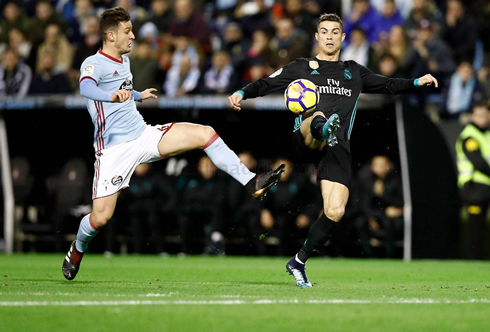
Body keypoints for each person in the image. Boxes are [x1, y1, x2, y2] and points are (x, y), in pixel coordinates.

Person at [62, 7, 284, 281]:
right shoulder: (93, 63)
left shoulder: (123, 60)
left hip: (143, 135)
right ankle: (78, 247)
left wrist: (137, 94)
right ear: (110, 35)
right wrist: (112, 96)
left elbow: (121, 89)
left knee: (205, 133)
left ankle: (251, 182)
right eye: (127, 31)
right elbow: (86, 88)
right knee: (100, 218)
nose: (133, 36)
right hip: (113, 150)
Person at [228, 13, 438, 287]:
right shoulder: (301, 66)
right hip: (304, 138)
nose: (329, 36)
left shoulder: (354, 71)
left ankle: (298, 261)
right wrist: (242, 93)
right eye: (324, 31)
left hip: (335, 147)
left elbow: (387, 84)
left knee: (336, 211)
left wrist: (415, 83)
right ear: (316, 37)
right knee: (315, 115)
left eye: (334, 31)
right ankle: (323, 126)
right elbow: (267, 83)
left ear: (342, 37)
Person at [456, 102, 490, 259]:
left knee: (483, 225)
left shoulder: (486, 135)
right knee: (474, 225)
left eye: (485, 115)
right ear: (472, 116)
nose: (483, 119)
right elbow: (479, 163)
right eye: (479, 115)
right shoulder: (469, 137)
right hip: (474, 187)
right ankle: (472, 257)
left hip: (486, 186)